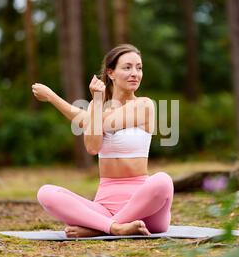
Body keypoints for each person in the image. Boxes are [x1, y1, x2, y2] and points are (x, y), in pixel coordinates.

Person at [32, 44, 174, 237]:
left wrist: (57, 99)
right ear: (111, 73)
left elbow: (89, 121)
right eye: (127, 67)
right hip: (105, 206)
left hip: (147, 212)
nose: (135, 73)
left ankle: (100, 228)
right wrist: (95, 103)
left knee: (163, 181)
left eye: (139, 68)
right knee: (46, 193)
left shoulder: (144, 105)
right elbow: (92, 147)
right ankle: (115, 227)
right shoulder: (95, 107)